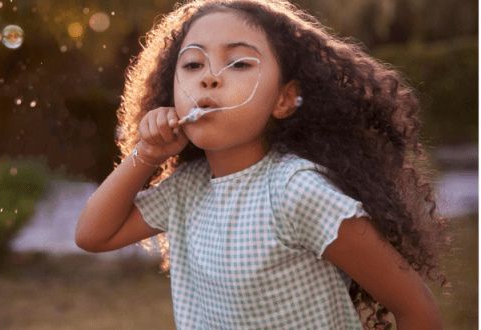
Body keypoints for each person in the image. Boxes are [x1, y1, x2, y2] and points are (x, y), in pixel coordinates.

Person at [76, 0, 446, 328]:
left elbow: (417, 310)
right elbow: (94, 235)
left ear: (284, 100)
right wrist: (148, 155)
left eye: (238, 63)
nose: (208, 78)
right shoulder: (186, 189)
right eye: (191, 64)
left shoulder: (296, 192)